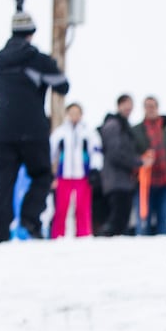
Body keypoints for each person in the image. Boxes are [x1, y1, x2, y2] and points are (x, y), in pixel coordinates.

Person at [0, 11, 69, 241]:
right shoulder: (39, 60)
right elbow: (63, 86)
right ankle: (29, 219)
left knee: (3, 181)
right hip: (33, 127)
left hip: (3, 127)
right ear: (32, 33)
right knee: (42, 174)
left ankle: (0, 233)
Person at [49, 102, 103, 239]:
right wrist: (50, 173)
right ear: (67, 114)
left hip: (83, 176)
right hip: (64, 175)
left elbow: (96, 151)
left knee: (82, 208)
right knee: (61, 208)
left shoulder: (88, 132)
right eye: (72, 113)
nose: (74, 116)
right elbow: (51, 153)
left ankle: (84, 235)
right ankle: (57, 235)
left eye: (77, 113)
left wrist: (95, 169)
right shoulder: (60, 133)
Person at [97, 95, 140, 237]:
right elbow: (114, 153)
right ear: (119, 105)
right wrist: (137, 162)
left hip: (123, 179)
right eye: (125, 104)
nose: (128, 108)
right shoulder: (114, 125)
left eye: (130, 105)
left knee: (122, 217)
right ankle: (104, 239)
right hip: (115, 179)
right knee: (118, 217)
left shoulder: (124, 126)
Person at [134, 97, 166, 236]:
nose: (150, 109)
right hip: (145, 182)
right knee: (144, 220)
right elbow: (131, 153)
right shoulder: (136, 130)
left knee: (164, 220)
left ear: (157, 107)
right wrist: (141, 160)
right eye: (147, 106)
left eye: (153, 106)